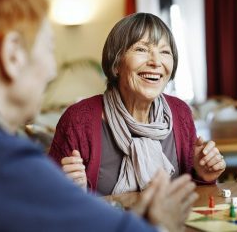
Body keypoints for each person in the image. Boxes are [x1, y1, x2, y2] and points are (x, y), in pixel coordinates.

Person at [0, 0, 198, 232]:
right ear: (13, 55)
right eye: (49, 48)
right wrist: (160, 225)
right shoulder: (0, 160)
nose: (52, 70)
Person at [49, 12, 226, 195]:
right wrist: (69, 190)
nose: (156, 62)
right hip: (107, 224)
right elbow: (47, 199)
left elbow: (191, 199)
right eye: (141, 49)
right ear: (116, 63)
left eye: (165, 52)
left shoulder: (180, 112)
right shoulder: (79, 120)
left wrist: (203, 175)